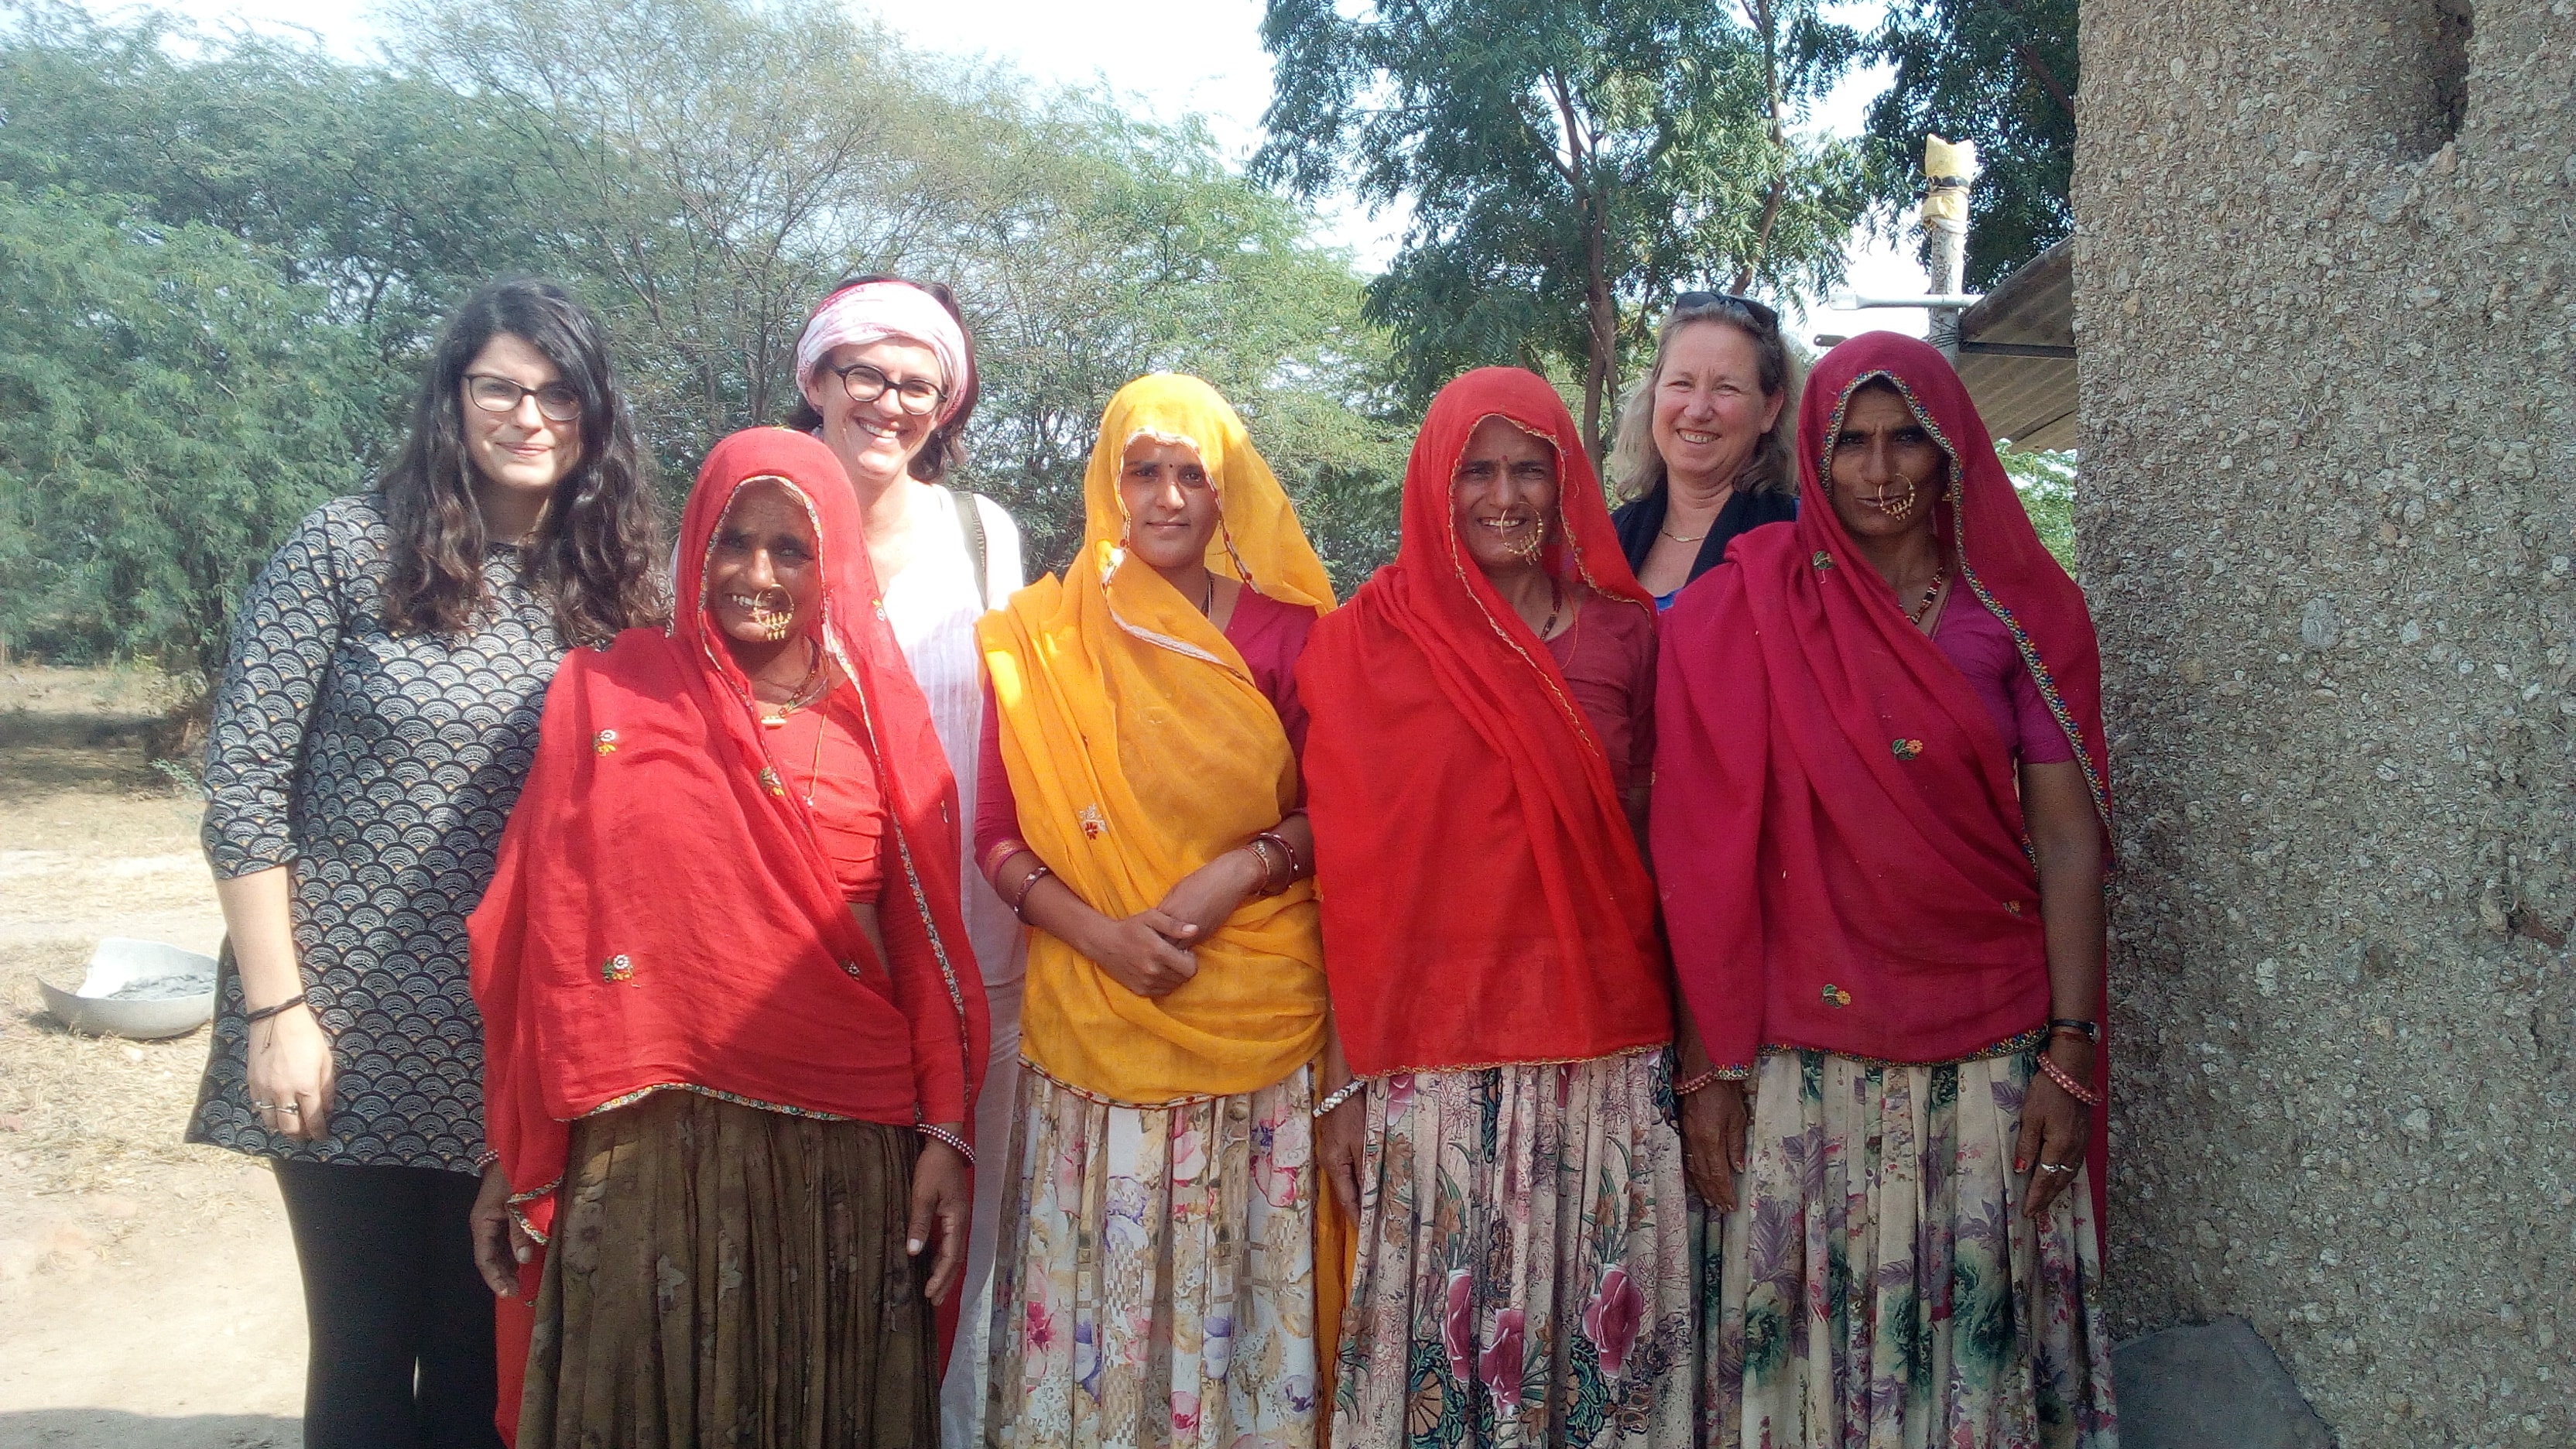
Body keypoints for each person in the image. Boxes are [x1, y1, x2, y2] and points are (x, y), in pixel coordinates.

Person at [187, 277, 664, 1449]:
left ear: (595, 414)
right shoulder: (348, 553)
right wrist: (277, 1011)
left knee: (480, 1351)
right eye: (499, 386)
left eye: (559, 392)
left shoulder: (619, 588)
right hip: (343, 1022)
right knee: (360, 1347)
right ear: (451, 398)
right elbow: (243, 788)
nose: (529, 415)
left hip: (518, 1035)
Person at [467, 427, 988, 1446]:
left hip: (840, 1155)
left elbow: (925, 947)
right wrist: (517, 1140)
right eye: (734, 542)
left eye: (791, 549)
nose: (757, 574)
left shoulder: (877, 726)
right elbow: (539, 942)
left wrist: (947, 1135)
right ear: (695, 545)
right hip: (643, 1149)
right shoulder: (609, 696)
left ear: (832, 559)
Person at [1653, 332, 2117, 1447]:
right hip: (1800, 1062)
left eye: (1906, 434)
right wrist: (1706, 1060)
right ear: (1813, 456)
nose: (1879, 468)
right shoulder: (1746, 611)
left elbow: (2067, 840)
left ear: (1953, 447)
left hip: (1993, 1056)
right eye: (1850, 441)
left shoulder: (2020, 621)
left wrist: (2073, 1042)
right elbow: (1701, 851)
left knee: (1974, 1351)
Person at [1299, 367, 1695, 1448]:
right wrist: (1338, 1086)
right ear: (1435, 482)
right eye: (1478, 470)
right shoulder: (1360, 646)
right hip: (1434, 1078)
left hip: (1602, 1060)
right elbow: (1352, 882)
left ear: (1567, 480)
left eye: (1531, 468)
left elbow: (1667, 841)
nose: (1506, 495)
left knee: (1590, 1377)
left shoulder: (1627, 638)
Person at [973, 373, 1339, 1449]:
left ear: (1232, 495)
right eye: (1146, 470)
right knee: (1107, 1320)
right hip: (1096, 1032)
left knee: (1242, 1316)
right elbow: (999, 836)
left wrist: (1242, 871)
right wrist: (1102, 936)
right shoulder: (1050, 636)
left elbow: (1342, 813)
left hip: (1259, 1037)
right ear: (1110, 481)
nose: (1169, 496)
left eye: (1195, 474)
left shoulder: (1292, 635)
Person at [788, 276, 1029, 1444]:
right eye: (865, 375)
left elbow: (1028, 734)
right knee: (818, 1244)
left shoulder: (986, 540)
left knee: (959, 1263)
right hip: (810, 970)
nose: (888, 403)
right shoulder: (764, 531)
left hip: (976, 961)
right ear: (817, 382)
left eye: (917, 385)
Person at [1605, 293, 1801, 607]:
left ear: (1770, 409)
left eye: (1726, 388)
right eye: (1681, 383)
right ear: (1655, 392)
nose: (1697, 410)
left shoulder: (1806, 541)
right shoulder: (1605, 542)